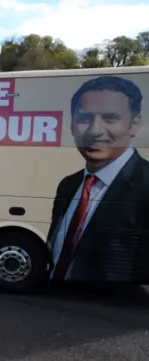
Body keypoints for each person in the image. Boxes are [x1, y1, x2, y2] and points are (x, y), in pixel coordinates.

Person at [47, 75, 149, 283]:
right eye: (85, 118)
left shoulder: (145, 185)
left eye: (110, 118)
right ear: (72, 125)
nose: (94, 131)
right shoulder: (69, 185)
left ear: (135, 124)